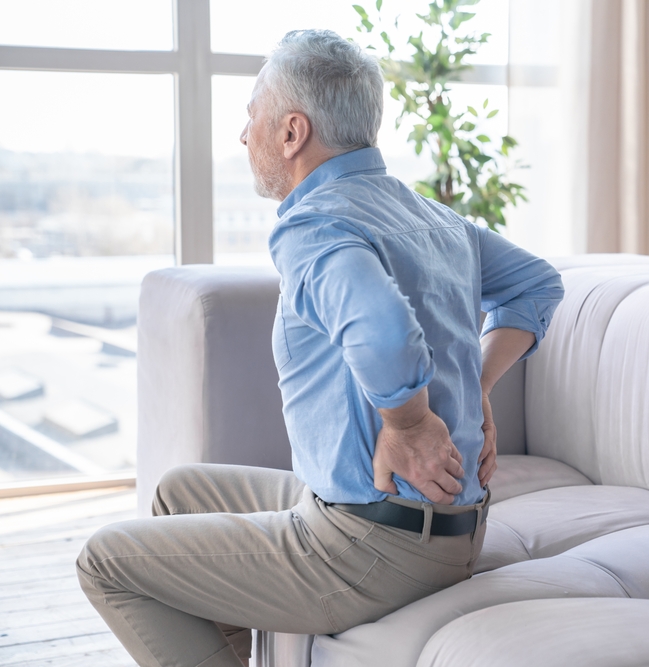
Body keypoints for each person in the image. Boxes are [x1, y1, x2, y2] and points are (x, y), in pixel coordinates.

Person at [76, 29, 563, 667]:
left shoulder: (315, 222)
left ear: (291, 132)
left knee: (104, 562)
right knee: (178, 493)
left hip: (369, 548)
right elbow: (537, 285)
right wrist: (474, 384)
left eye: (252, 117)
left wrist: (409, 422)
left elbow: (384, 328)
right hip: (440, 531)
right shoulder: (429, 214)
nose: (243, 135)